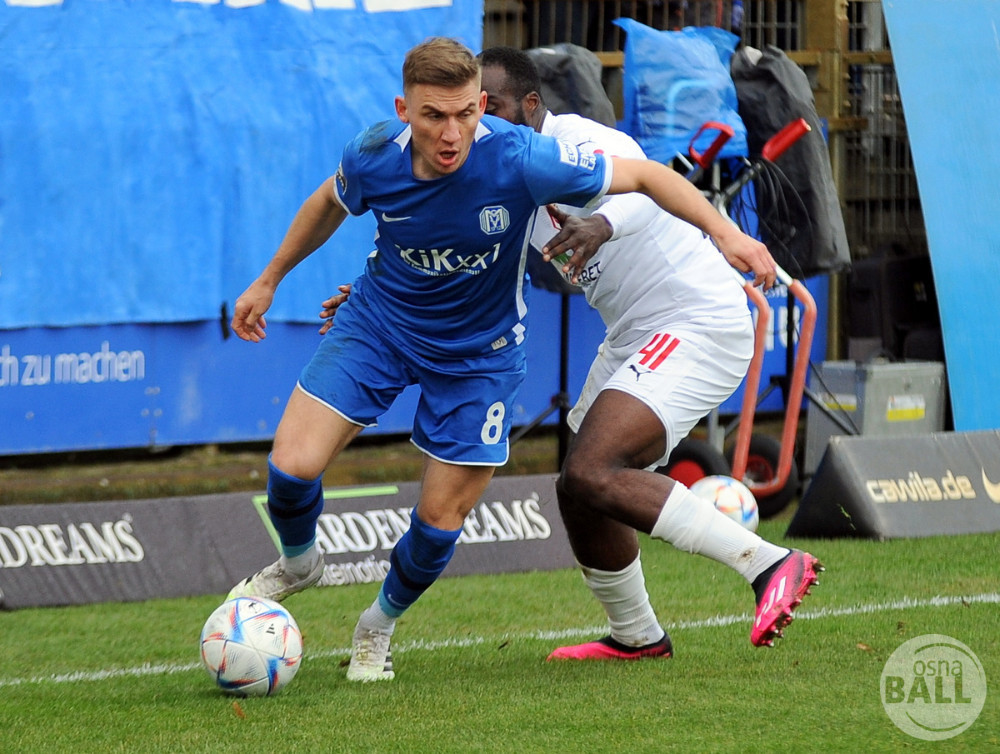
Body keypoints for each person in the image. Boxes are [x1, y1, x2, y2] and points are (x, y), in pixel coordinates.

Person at [228, 37, 776, 683]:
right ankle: (298, 564)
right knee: (290, 469)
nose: (451, 132)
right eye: (433, 116)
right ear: (404, 110)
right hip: (379, 326)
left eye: (465, 113)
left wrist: (731, 234)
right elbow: (329, 201)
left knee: (437, 525)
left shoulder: (520, 157)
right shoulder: (375, 155)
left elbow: (649, 177)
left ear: (483, 106)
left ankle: (377, 628)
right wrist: (269, 280)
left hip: (479, 358)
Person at [476, 46, 823, 658]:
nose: (480, 121)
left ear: (532, 106)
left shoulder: (573, 139)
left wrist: (601, 224)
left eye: (493, 107)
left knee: (594, 467)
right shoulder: (499, 176)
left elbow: (648, 185)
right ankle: (636, 637)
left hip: (695, 319)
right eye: (471, 110)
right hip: (635, 332)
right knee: (577, 485)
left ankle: (770, 564)